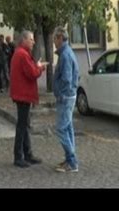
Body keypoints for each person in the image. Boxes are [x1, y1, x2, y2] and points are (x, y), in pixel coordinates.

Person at [9, 30, 47, 168]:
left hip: (21, 94)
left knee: (24, 126)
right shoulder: (22, 54)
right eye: (31, 39)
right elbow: (31, 73)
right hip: (23, 94)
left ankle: (27, 154)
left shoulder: (20, 53)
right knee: (22, 126)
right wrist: (40, 68)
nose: (33, 41)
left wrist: (36, 67)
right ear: (24, 40)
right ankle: (19, 156)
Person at [52, 26, 80, 173]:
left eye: (54, 39)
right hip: (68, 95)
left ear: (60, 38)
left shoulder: (65, 55)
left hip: (66, 96)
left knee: (62, 129)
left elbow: (67, 79)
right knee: (68, 128)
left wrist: (60, 93)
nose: (53, 42)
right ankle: (70, 159)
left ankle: (72, 161)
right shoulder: (66, 53)